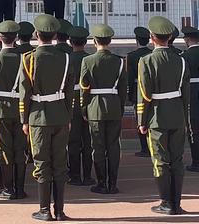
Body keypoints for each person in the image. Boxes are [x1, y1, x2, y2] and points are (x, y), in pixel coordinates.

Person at [20, 14, 74, 221]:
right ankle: (60, 210)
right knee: (60, 164)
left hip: (38, 117)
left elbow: (24, 93)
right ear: (54, 35)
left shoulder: (29, 58)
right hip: (60, 114)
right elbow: (70, 92)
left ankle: (45, 210)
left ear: (36, 34)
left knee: (42, 163)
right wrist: (67, 116)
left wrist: (24, 119)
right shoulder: (65, 57)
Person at [137, 16, 190, 215]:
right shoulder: (181, 60)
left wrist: (142, 121)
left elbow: (144, 94)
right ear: (169, 37)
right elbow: (186, 94)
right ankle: (177, 203)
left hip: (157, 116)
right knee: (177, 160)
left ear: (152, 37)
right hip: (177, 114)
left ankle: (166, 202)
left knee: (160, 160)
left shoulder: (147, 60)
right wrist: (184, 118)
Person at [80, 24, 127, 195]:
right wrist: (120, 107)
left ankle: (101, 183)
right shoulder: (119, 61)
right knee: (114, 146)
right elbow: (123, 89)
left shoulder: (88, 61)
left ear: (94, 41)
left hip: (95, 107)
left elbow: (84, 87)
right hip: (114, 105)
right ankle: (113, 183)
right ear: (110, 41)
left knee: (98, 147)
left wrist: (84, 108)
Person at [0, 20, 28, 200]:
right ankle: (19, 188)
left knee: (4, 150)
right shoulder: (25, 58)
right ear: (16, 38)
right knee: (21, 150)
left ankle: (8, 189)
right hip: (20, 109)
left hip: (1, 109)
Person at [67, 26, 94, 187]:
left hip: (71, 102)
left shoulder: (66, 59)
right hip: (88, 101)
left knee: (73, 141)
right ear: (85, 42)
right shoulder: (89, 59)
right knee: (88, 141)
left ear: (70, 42)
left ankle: (75, 175)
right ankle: (88, 175)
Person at [126, 26, 152, 157]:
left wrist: (130, 94)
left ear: (136, 40)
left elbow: (130, 78)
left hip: (138, 91)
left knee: (140, 119)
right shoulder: (152, 54)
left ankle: (144, 148)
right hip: (153, 90)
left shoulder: (131, 56)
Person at [182, 26, 199, 172]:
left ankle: (196, 161)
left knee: (193, 129)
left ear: (187, 39)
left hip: (191, 93)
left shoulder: (184, 56)